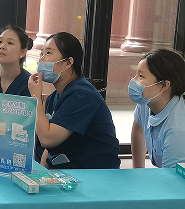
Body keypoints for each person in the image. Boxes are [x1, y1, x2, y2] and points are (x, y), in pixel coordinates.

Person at [29, 32, 121, 169]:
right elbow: (47, 148)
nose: (41, 59)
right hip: (69, 169)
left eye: (48, 53)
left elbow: (48, 139)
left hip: (95, 172)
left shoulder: (81, 95)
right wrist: (41, 174)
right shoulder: (55, 97)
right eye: (41, 53)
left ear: (68, 63)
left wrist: (36, 96)